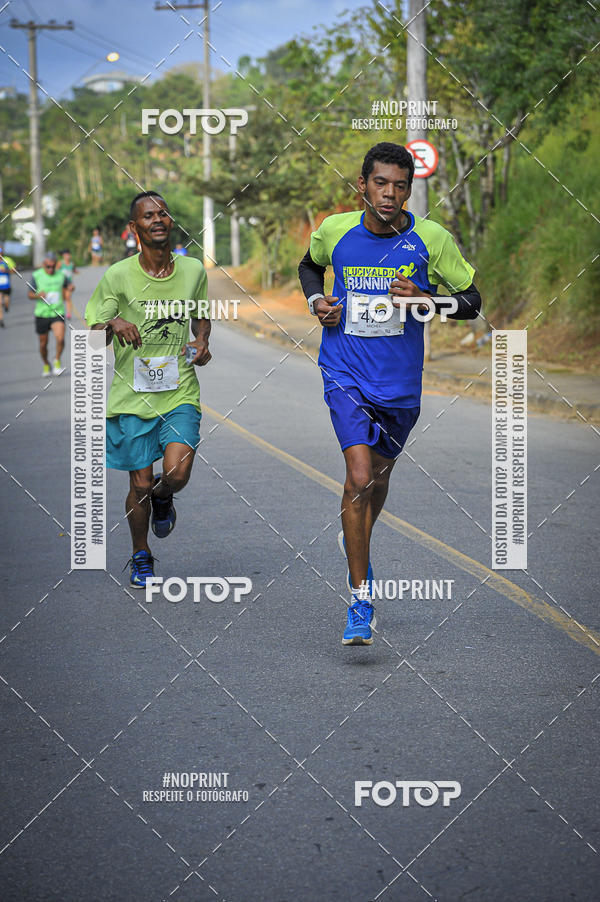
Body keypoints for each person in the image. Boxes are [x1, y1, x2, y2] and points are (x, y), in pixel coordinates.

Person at [298, 142, 482, 646]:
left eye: (400, 186)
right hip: (344, 372)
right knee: (358, 479)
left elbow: (471, 301)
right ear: (363, 185)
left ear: (409, 190)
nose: (390, 194)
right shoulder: (335, 231)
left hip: (400, 384)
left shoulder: (430, 238)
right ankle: (361, 598)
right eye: (381, 183)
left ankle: (353, 535)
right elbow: (309, 267)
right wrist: (318, 300)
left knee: (375, 482)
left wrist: (428, 298)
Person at [86, 191, 211, 589]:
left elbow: (201, 316)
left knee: (177, 471)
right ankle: (141, 554)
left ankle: (164, 495)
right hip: (131, 396)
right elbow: (91, 338)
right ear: (134, 228)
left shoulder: (192, 270)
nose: (157, 219)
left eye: (163, 213)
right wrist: (113, 324)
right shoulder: (118, 276)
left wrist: (203, 341)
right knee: (137, 483)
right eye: (147, 216)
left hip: (179, 391)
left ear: (171, 222)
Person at [28, 251, 69, 376]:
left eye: (53, 266)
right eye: (48, 266)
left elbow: (68, 286)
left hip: (57, 312)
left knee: (60, 338)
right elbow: (29, 294)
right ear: (43, 264)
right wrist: (37, 295)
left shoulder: (61, 275)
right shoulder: (36, 275)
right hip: (42, 314)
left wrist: (71, 288)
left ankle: (57, 360)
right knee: (43, 343)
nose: (51, 269)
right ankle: (46, 363)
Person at [0, 245, 16, 328]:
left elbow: (14, 270)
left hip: (6, 285)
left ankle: (6, 306)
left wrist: (6, 270)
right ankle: (1, 319)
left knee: (6, 300)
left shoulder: (7, 260)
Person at [57, 249, 76, 320]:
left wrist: (76, 272)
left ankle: (68, 314)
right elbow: (56, 271)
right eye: (65, 255)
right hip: (61, 283)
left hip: (69, 284)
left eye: (68, 255)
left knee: (68, 298)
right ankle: (60, 312)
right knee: (61, 298)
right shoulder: (60, 263)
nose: (67, 257)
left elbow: (73, 270)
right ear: (63, 256)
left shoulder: (72, 264)